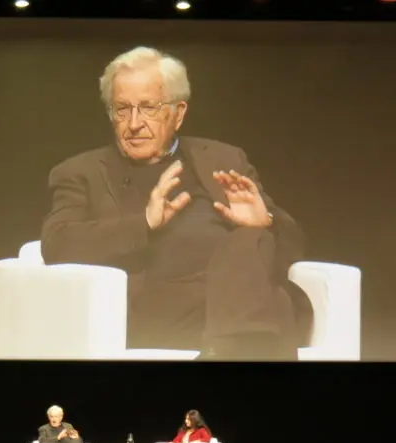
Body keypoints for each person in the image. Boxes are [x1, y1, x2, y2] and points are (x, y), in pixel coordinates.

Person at [41, 46, 307, 360]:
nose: (134, 123)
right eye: (122, 109)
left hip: (233, 298)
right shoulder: (80, 173)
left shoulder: (224, 158)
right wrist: (144, 223)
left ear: (178, 113)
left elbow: (295, 247)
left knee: (251, 238)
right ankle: (241, 354)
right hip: (160, 307)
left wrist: (267, 223)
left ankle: (228, 350)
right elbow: (56, 244)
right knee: (276, 304)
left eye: (148, 107)